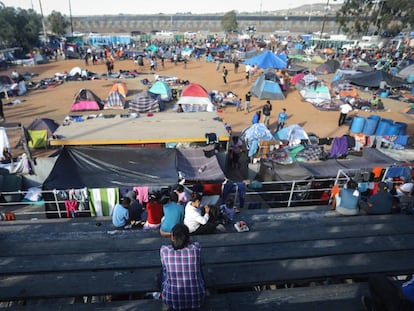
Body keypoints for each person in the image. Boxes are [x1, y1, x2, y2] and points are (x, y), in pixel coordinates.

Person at [159, 224, 206, 310]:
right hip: (198, 299)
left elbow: (164, 267)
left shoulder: (164, 250)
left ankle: (162, 293)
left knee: (163, 270)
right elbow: (195, 246)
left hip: (170, 299)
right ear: (188, 238)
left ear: (172, 237)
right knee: (199, 267)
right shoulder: (196, 248)